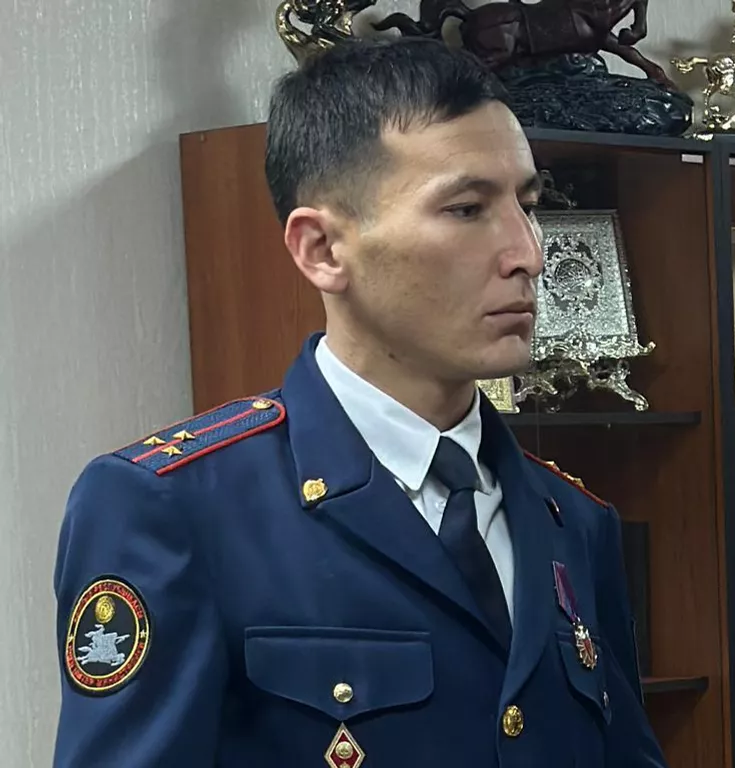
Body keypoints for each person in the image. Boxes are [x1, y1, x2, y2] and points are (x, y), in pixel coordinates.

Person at [51, 37, 667, 767]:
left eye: (528, 205)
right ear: (321, 249)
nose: (529, 253)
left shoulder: (575, 519)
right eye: (467, 209)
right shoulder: (176, 509)